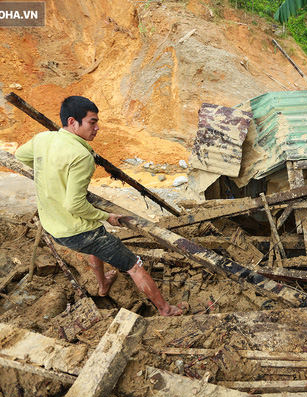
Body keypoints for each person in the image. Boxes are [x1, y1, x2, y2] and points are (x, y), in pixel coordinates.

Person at [15, 96, 186, 316]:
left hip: (51, 224)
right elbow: (75, 204)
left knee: (94, 242)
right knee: (133, 265)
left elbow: (20, 155)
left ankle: (103, 285)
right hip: (75, 230)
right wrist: (105, 216)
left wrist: (51, 173)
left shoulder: (43, 139)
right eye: (92, 122)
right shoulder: (81, 156)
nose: (97, 128)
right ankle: (166, 309)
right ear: (72, 122)